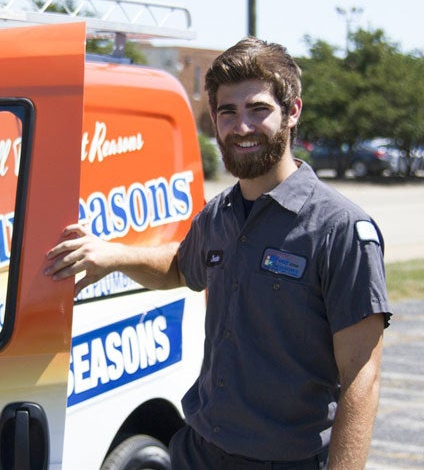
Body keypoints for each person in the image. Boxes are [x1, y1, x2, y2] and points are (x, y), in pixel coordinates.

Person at [45, 37, 391, 469]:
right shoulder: (220, 214)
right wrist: (113, 255)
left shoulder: (339, 231)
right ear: (215, 119)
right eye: (228, 112)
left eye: (258, 109)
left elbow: (362, 378)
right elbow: (180, 267)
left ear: (293, 111)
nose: (242, 127)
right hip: (199, 453)